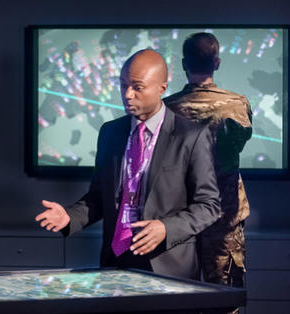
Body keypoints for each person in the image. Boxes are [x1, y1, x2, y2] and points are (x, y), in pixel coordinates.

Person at [35, 49, 220, 280]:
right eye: (123, 86)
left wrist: (166, 228)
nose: (128, 94)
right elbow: (99, 197)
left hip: (167, 268)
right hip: (115, 263)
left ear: (162, 88)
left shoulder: (191, 136)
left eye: (137, 87)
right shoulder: (110, 133)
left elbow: (209, 205)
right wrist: (69, 217)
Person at [164, 32, 252, 314]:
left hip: (180, 217)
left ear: (184, 65)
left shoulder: (167, 107)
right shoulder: (237, 104)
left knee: (173, 298)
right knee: (224, 300)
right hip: (224, 217)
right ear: (216, 63)